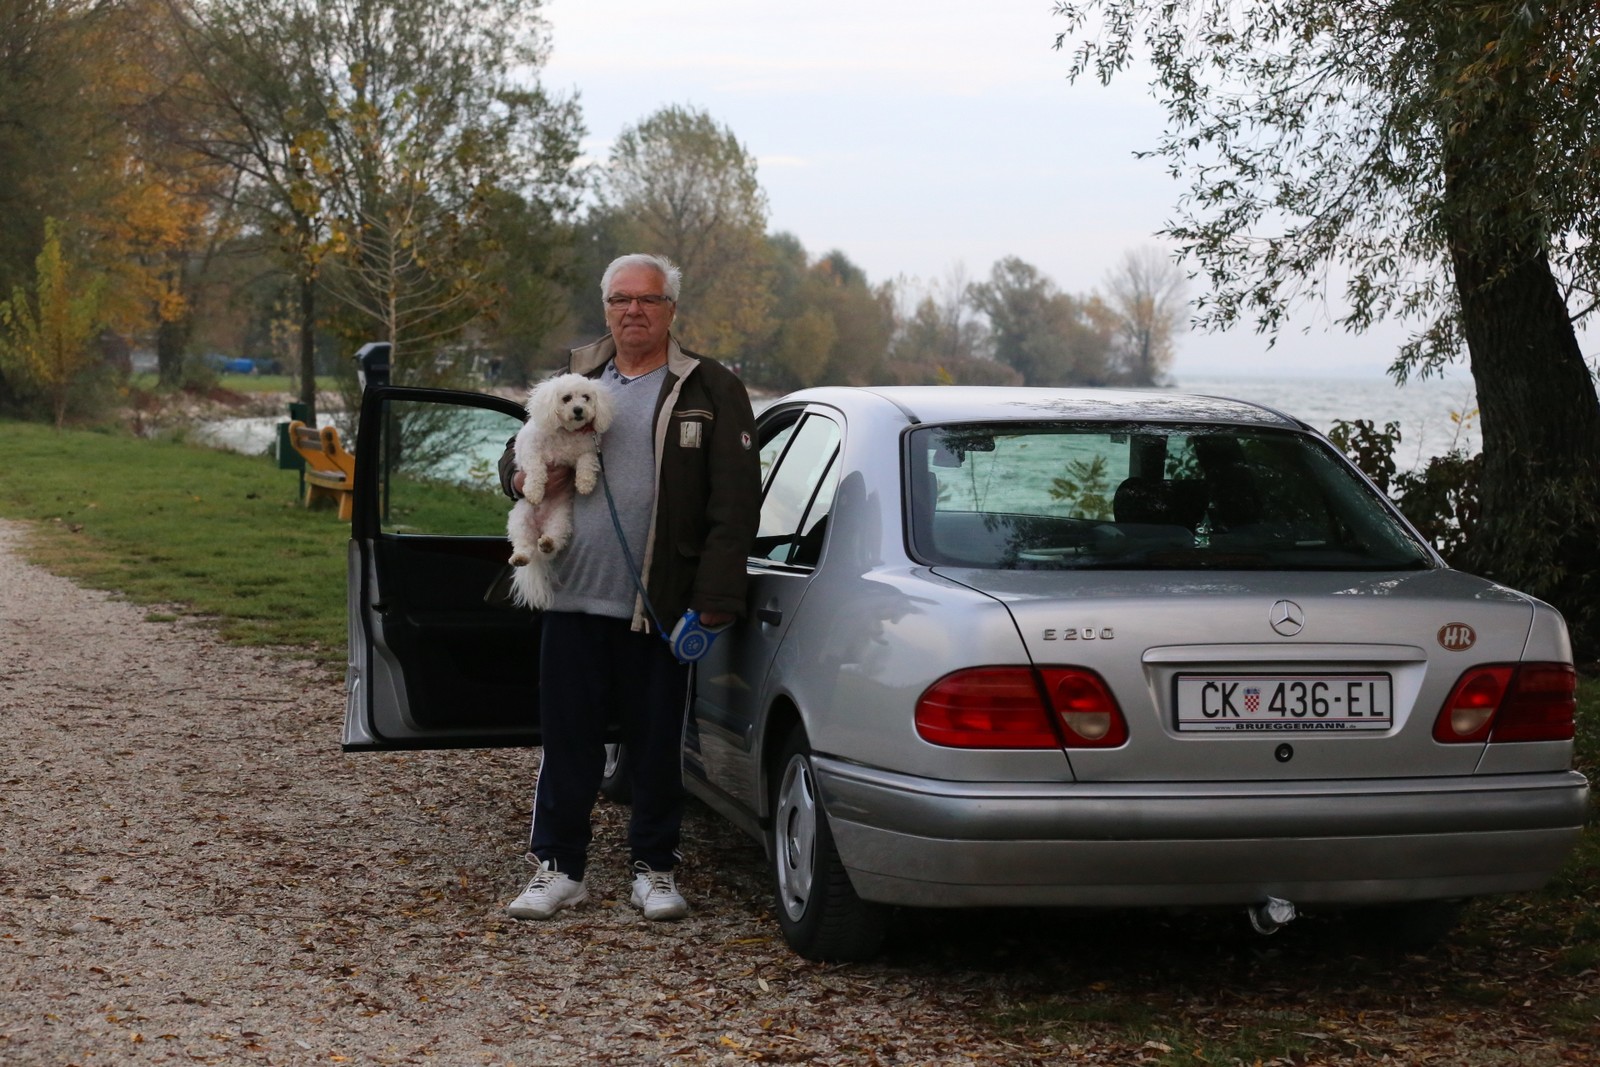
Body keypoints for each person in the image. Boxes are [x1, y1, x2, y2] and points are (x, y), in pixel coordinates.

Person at [497, 253, 761, 921]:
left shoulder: (709, 387)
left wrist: (716, 597)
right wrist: (523, 480)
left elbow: (735, 503)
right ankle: (559, 867)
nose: (633, 311)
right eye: (621, 299)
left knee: (656, 744)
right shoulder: (577, 377)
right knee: (568, 741)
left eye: (647, 299)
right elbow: (517, 451)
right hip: (572, 596)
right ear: (607, 308)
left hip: (660, 605)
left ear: (671, 309)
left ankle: (656, 868)